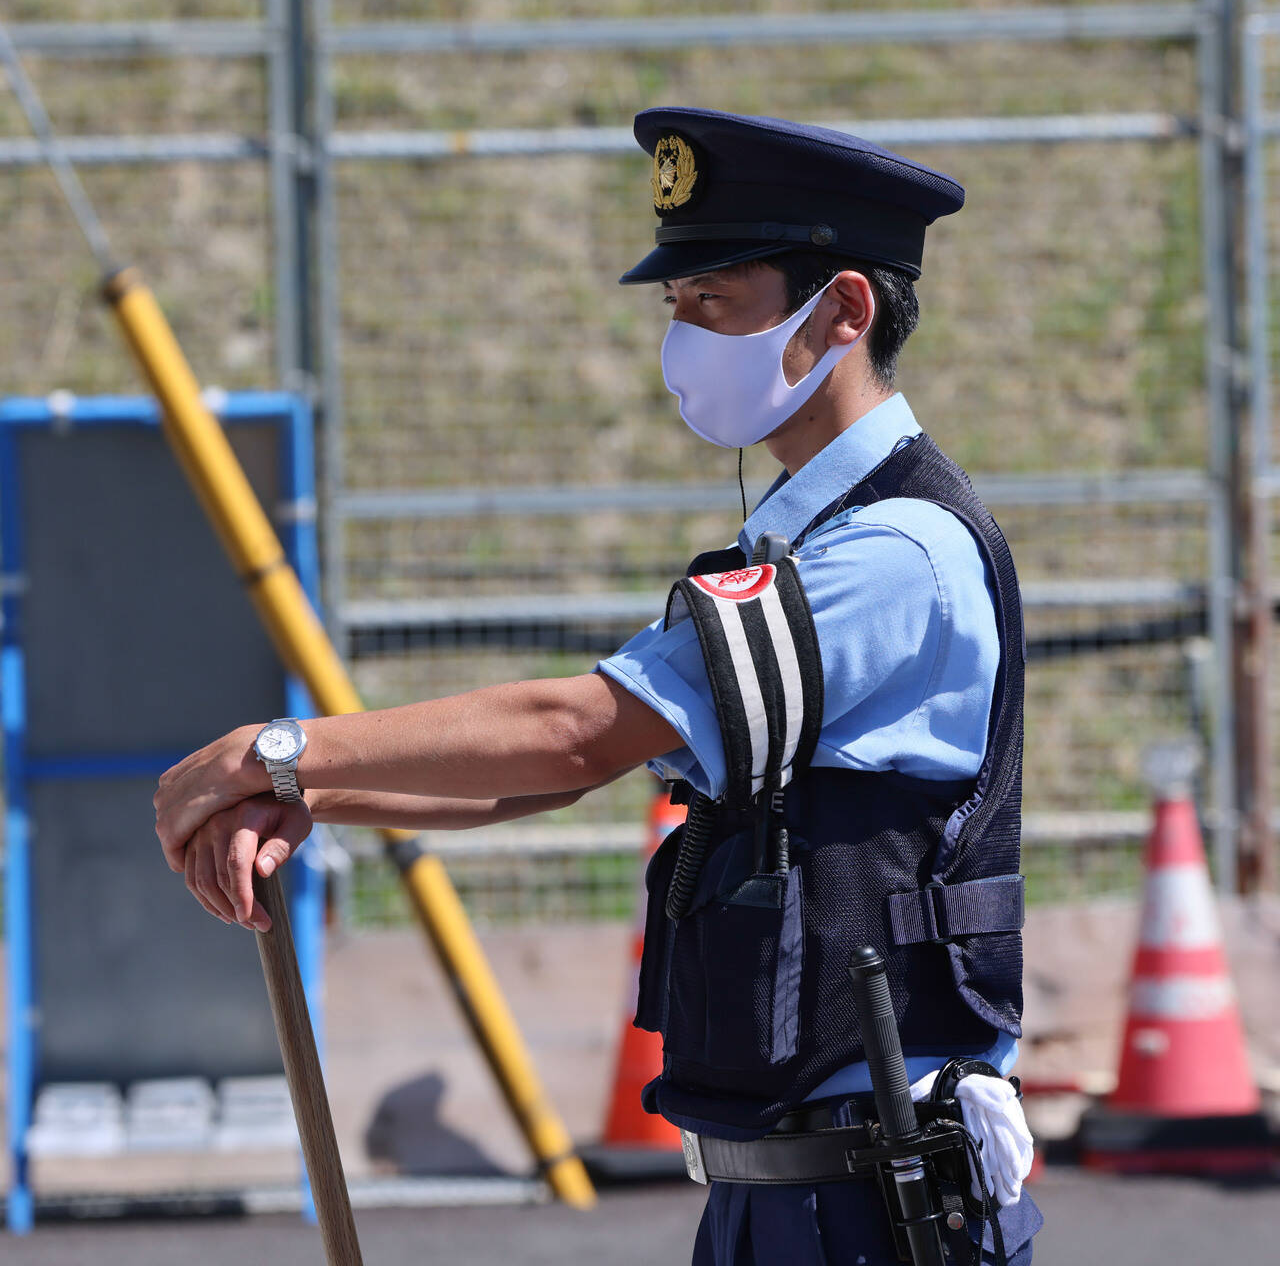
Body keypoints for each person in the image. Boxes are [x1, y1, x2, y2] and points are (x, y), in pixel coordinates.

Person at [154, 106, 1041, 1264]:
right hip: (781, 1191)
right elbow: (547, 779)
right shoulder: (799, 546)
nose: (681, 340)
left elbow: (576, 733)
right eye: (673, 309)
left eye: (711, 304)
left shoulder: (894, 556)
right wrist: (312, 803)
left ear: (842, 311)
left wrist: (272, 753)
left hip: (868, 1200)